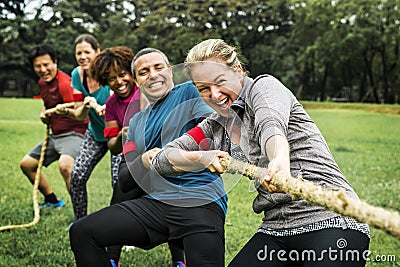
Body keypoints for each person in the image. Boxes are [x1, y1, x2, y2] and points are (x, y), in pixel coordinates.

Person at [149, 39, 371, 267]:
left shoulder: (264, 88)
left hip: (332, 220)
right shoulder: (214, 127)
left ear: (237, 71)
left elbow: (271, 127)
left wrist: (279, 162)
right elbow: (163, 159)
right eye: (204, 88)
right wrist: (200, 157)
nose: (214, 95)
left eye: (220, 82)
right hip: (276, 231)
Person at [70, 47, 227, 267]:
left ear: (170, 71)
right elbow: (124, 180)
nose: (152, 74)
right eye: (144, 72)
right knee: (82, 232)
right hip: (157, 205)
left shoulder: (190, 93)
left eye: (158, 67)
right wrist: (143, 160)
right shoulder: (135, 123)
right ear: (136, 80)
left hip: (200, 202)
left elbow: (215, 129)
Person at [89, 45, 184, 267]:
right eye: (111, 79)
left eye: (122, 75)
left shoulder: (146, 89)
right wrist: (124, 133)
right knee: (118, 203)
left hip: (161, 157)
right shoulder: (112, 104)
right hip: (132, 159)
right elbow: (112, 146)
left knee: (173, 205)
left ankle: (180, 261)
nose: (118, 82)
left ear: (132, 75)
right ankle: (112, 259)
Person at [20, 44, 88, 208]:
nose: (43, 69)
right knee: (27, 165)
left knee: (65, 166)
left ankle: (80, 214)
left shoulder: (66, 83)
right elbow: (48, 104)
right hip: (55, 135)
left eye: (46, 64)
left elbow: (80, 112)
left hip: (74, 133)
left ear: (55, 62)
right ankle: (52, 200)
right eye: (38, 66)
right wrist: (45, 113)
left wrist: (64, 111)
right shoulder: (42, 83)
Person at [60, 34, 118, 222]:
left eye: (87, 52)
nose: (83, 57)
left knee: (119, 183)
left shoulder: (110, 73)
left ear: (97, 52)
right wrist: (77, 108)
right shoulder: (77, 75)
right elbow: (80, 115)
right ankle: (80, 222)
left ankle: (124, 229)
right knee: (76, 176)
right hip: (95, 134)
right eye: (79, 53)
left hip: (118, 135)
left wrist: (108, 108)